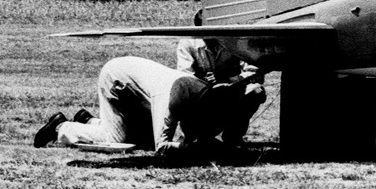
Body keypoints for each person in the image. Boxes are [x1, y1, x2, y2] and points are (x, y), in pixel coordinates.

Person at [34, 55, 218, 153]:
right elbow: (162, 148)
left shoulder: (197, 88)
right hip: (116, 79)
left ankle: (89, 121)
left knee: (141, 142)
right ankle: (62, 128)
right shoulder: (166, 100)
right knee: (116, 140)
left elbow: (195, 126)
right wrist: (194, 149)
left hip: (133, 83)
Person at [175, 35, 265, 146]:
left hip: (232, 93)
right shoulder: (188, 42)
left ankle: (233, 137)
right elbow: (185, 79)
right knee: (187, 95)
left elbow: (255, 72)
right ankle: (201, 136)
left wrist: (228, 78)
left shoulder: (235, 39)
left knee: (256, 91)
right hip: (203, 96)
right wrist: (204, 83)